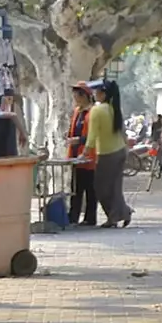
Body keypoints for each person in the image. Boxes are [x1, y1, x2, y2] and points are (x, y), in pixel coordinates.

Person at [87, 79, 133, 228]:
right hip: (120, 151)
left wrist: (85, 152)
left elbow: (92, 135)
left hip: (107, 153)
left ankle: (118, 214)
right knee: (115, 186)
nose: (95, 94)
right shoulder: (115, 109)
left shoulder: (97, 110)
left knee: (101, 187)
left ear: (103, 94)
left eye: (97, 92)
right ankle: (120, 213)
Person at [66, 83, 97, 227]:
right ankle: (73, 217)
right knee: (75, 189)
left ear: (84, 96)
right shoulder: (77, 112)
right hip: (75, 155)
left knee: (90, 189)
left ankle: (90, 218)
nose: (75, 98)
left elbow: (93, 134)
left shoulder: (93, 113)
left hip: (88, 156)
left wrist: (79, 140)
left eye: (77, 95)